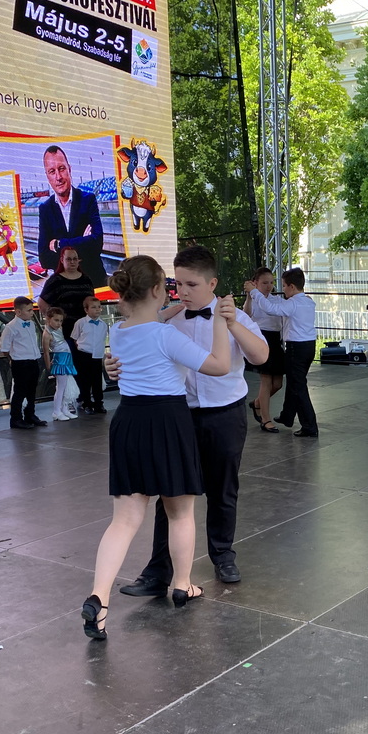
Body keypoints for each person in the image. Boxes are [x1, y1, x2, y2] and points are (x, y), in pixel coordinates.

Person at [81, 255, 236, 641]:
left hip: (129, 421)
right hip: (168, 421)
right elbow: (220, 365)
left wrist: (169, 310)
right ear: (156, 290)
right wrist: (219, 321)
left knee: (124, 520)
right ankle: (182, 584)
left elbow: (149, 321)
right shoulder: (168, 337)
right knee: (180, 512)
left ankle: (98, 598)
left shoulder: (118, 331)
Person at [114, 245, 268, 594]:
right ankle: (158, 572)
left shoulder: (234, 318)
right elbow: (136, 348)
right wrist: (114, 366)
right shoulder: (167, 321)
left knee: (223, 489)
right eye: (178, 283)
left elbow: (261, 356)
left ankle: (223, 555)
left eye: (192, 284)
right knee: (170, 491)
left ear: (212, 283)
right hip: (179, 416)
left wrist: (231, 323)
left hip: (225, 413)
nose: (183, 291)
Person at [256, 267, 318, 437]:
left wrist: (255, 293)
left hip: (295, 348)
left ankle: (309, 426)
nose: (282, 289)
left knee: (298, 387)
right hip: (309, 346)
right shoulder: (308, 302)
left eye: (283, 286)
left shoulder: (293, 304)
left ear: (291, 286)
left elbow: (271, 308)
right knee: (294, 382)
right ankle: (287, 415)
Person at [37, 145, 106, 289]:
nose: (58, 177)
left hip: (94, 283)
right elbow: (44, 258)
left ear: (69, 169)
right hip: (66, 289)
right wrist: (83, 243)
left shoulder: (88, 200)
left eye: (61, 169)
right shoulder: (45, 209)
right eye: (52, 171)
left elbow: (97, 244)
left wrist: (59, 245)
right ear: (47, 176)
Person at [39, 245, 97, 412]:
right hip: (66, 332)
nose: (72, 262)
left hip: (85, 331)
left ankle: (87, 399)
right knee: (73, 365)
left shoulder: (86, 279)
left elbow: (92, 303)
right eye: (68, 259)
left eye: (74, 259)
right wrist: (55, 322)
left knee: (87, 365)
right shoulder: (55, 281)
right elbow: (42, 303)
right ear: (62, 260)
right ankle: (73, 399)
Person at [243, 267, 286, 433]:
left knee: (278, 383)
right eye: (265, 283)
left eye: (271, 282)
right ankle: (266, 419)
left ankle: (257, 403)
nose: (269, 286)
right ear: (255, 283)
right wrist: (249, 295)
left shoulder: (276, 300)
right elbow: (246, 315)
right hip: (261, 338)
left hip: (275, 340)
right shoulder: (253, 299)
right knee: (266, 380)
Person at [0, 297, 46, 429]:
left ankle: (30, 414)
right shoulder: (10, 327)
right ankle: (16, 418)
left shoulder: (31, 324)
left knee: (32, 390)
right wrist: (13, 359)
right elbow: (5, 349)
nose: (32, 313)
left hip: (33, 360)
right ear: (18, 312)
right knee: (20, 392)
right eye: (29, 310)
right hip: (20, 363)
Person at [71, 296, 108, 414]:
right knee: (84, 381)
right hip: (84, 355)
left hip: (97, 355)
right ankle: (86, 403)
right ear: (86, 310)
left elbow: (102, 339)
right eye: (93, 307)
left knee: (97, 380)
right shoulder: (80, 323)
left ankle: (99, 403)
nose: (97, 309)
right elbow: (75, 338)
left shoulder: (103, 324)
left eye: (99, 307)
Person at [43, 307, 78, 421]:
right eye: (56, 320)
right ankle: (57, 411)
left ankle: (64, 409)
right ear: (48, 319)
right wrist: (48, 366)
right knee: (61, 388)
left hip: (67, 359)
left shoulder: (59, 329)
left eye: (61, 321)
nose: (59, 323)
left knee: (65, 387)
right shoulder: (47, 334)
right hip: (60, 361)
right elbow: (46, 352)